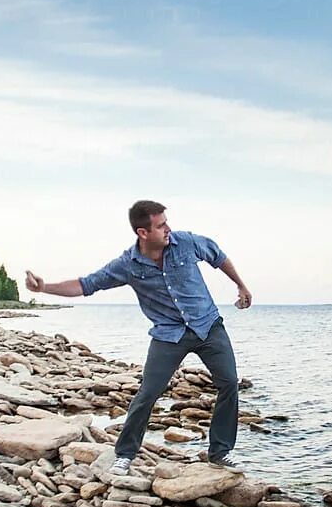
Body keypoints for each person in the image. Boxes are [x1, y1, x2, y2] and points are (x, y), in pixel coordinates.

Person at [25, 200, 252, 476]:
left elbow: (218, 256)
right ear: (143, 232)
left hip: (208, 326)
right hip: (169, 335)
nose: (168, 228)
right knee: (148, 394)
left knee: (229, 382)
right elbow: (86, 285)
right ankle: (125, 455)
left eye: (167, 222)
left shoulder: (187, 242)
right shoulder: (127, 265)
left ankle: (219, 453)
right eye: (161, 225)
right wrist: (44, 287)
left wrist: (240, 285)